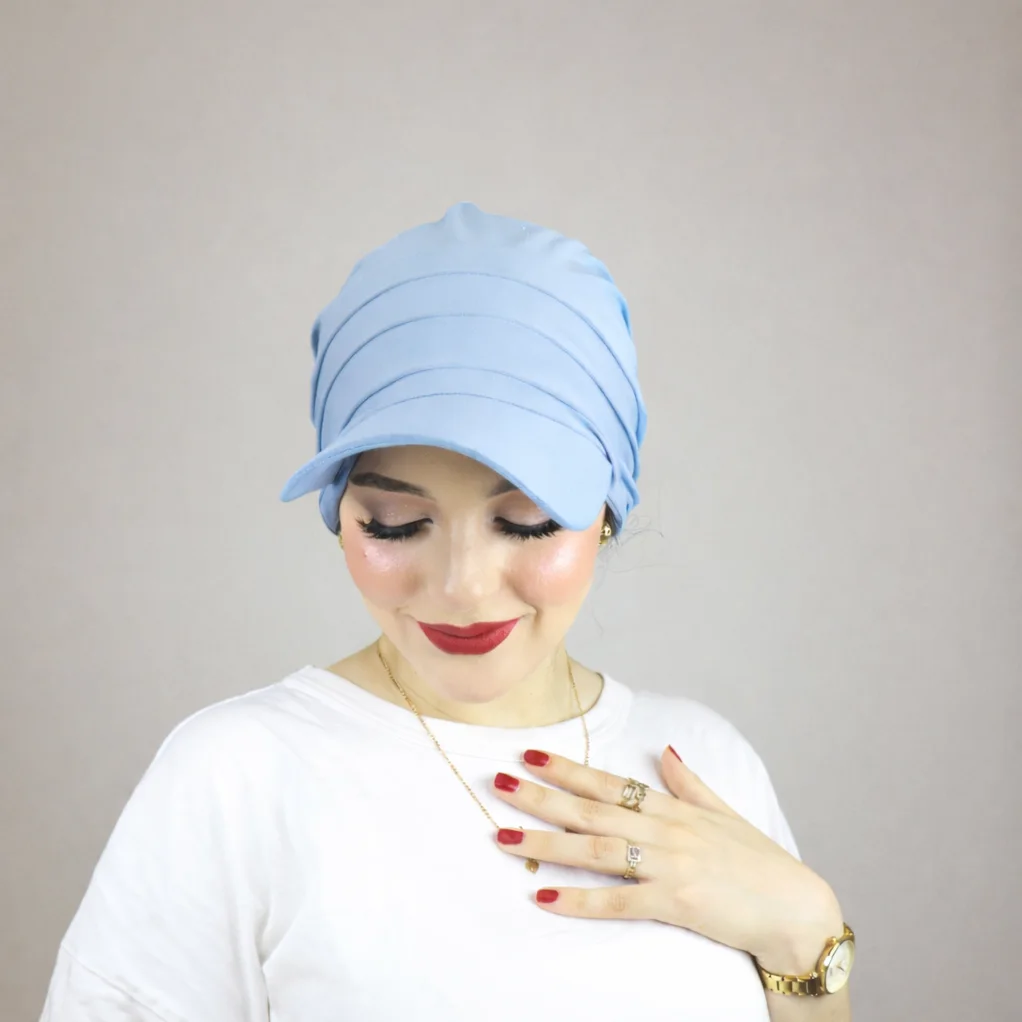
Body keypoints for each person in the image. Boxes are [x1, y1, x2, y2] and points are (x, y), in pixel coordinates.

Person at [40, 203, 854, 1021]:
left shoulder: (705, 765)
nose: (463, 586)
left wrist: (807, 936)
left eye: (526, 521)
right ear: (339, 515)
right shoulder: (235, 776)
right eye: (396, 524)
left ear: (606, 512)